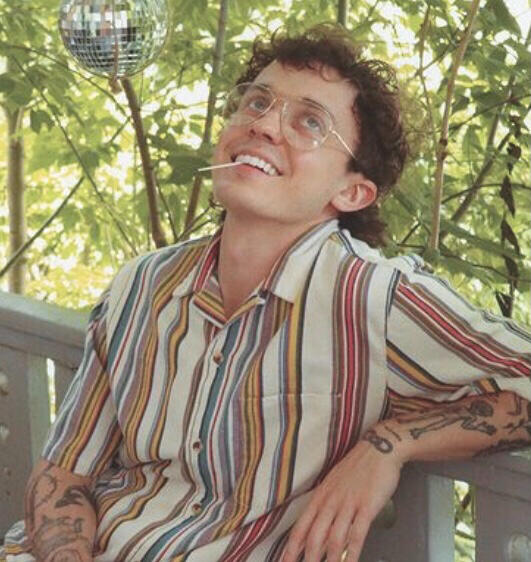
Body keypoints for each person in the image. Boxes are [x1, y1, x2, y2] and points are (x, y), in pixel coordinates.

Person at [3, 23, 531, 562]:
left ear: (351, 191)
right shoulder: (142, 284)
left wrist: (389, 445)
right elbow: (64, 470)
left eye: (309, 122)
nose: (264, 126)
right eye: (256, 102)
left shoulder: (372, 297)